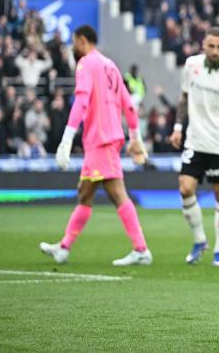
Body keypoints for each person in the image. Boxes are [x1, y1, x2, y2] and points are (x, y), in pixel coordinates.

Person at [39, 25, 152, 266]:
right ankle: (64, 247)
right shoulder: (110, 65)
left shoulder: (86, 64)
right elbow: (129, 105)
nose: (73, 47)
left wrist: (67, 137)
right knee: (85, 192)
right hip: (106, 138)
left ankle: (141, 248)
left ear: (82, 40)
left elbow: (81, 100)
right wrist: (135, 138)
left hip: (100, 138)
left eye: (74, 42)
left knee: (116, 193)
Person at [168, 26, 219, 267]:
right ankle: (199, 240)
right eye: (211, 46)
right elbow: (184, 98)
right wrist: (177, 127)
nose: (215, 51)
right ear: (203, 45)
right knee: (185, 188)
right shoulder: (191, 66)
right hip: (195, 140)